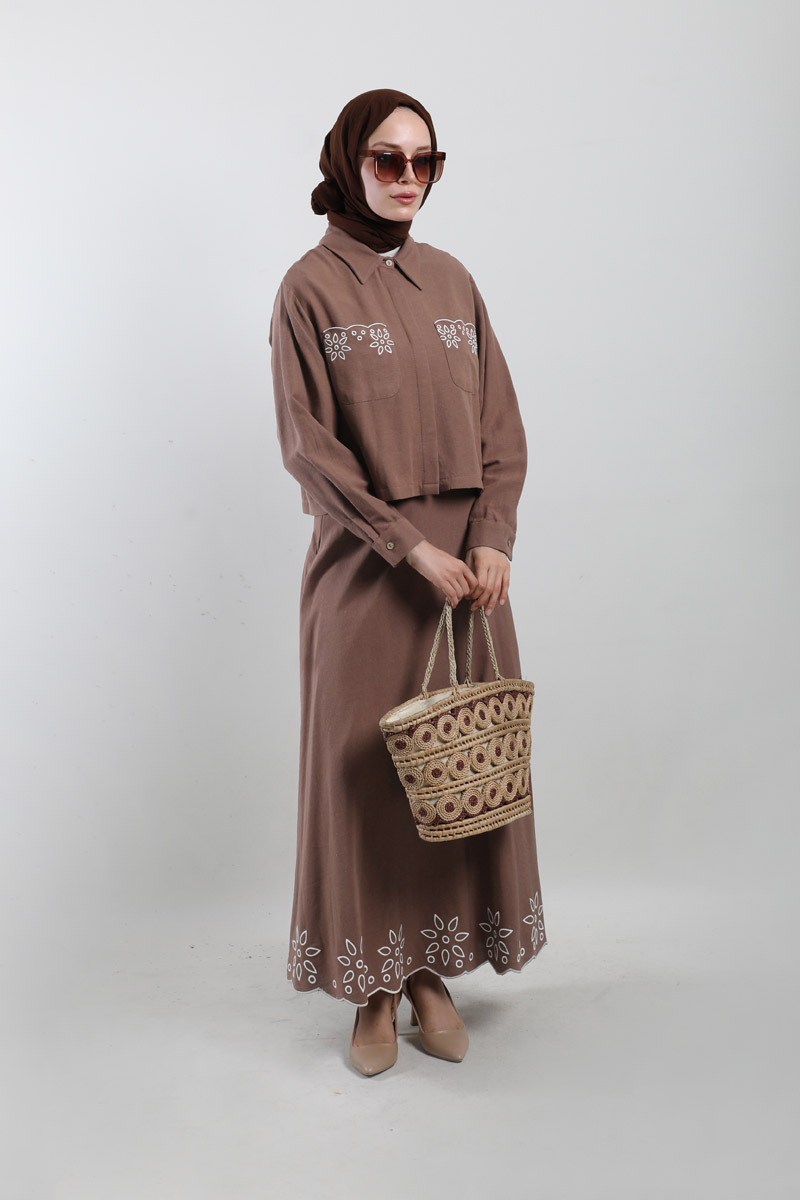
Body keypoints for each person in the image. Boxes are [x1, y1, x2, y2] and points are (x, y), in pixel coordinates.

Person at [270, 88, 547, 1076]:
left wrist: (492, 539)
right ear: (348, 164)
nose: (406, 178)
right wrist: (406, 546)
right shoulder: (310, 289)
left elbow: (500, 425)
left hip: (468, 584)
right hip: (367, 576)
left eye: (423, 161)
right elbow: (310, 449)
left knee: (457, 772)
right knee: (368, 782)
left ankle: (431, 970)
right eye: (386, 160)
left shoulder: (452, 280)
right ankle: (373, 988)